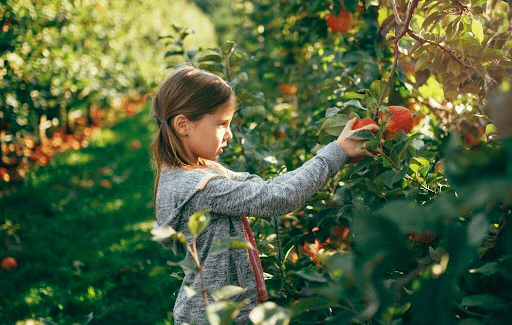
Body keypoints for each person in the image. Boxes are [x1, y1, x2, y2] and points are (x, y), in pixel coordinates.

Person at [151, 66, 379, 325]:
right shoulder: (199, 187)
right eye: (222, 124)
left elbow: (268, 187)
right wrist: (335, 153)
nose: (229, 134)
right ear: (183, 125)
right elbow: (280, 198)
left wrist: (339, 153)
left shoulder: (189, 174)